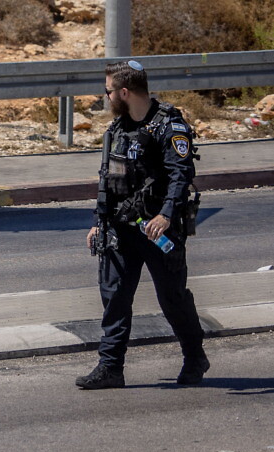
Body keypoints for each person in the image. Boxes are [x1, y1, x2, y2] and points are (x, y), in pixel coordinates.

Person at [78, 60, 206, 390]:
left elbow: (181, 176)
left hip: (157, 230)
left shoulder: (168, 125)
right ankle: (111, 367)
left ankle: (194, 356)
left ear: (124, 92)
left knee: (172, 299)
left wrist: (165, 216)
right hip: (120, 227)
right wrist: (98, 222)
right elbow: (108, 180)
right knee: (115, 297)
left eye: (107, 91)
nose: (105, 97)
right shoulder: (118, 129)